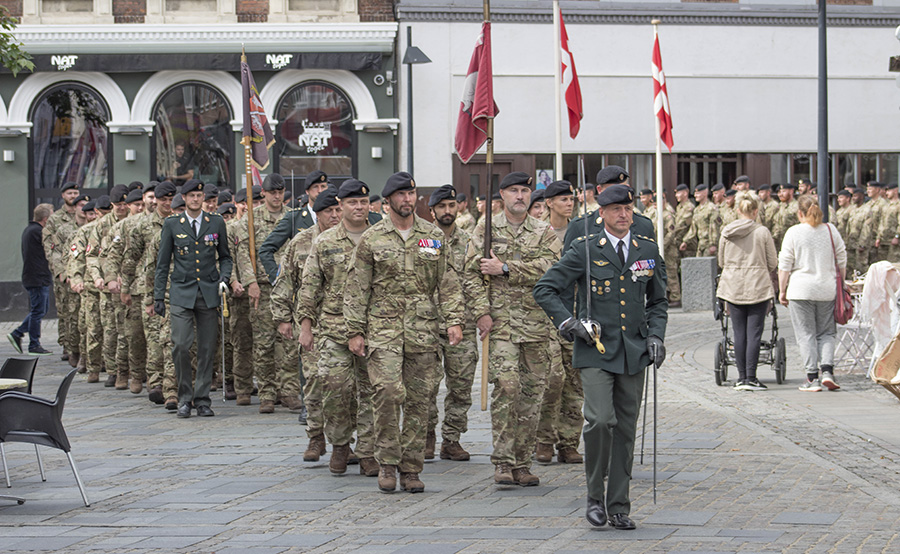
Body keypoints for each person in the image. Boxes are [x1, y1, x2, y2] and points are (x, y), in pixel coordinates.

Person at [534, 184, 667, 531]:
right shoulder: (586, 250)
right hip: (596, 349)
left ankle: (619, 504)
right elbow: (545, 288)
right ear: (602, 213)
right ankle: (595, 496)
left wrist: (656, 335)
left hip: (633, 352)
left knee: (625, 428)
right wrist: (569, 323)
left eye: (628, 208)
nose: (624, 215)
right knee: (600, 420)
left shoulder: (647, 250)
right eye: (616, 209)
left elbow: (658, 300)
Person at [343, 171, 465, 493]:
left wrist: (454, 320)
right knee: (386, 393)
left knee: (419, 400)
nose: (408, 200)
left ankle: (411, 468)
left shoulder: (431, 237)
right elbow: (357, 288)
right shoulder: (373, 239)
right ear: (388, 201)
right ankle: (386, 461)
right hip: (383, 330)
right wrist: (354, 331)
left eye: (411, 194)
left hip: (423, 332)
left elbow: (448, 282)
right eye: (401, 195)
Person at [464, 171, 562, 487]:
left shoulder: (543, 231)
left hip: (535, 324)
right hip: (501, 324)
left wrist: (506, 268)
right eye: (514, 191)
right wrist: (481, 312)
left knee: (533, 394)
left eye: (525, 191)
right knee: (507, 388)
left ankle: (523, 462)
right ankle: (504, 461)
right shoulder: (486, 229)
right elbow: (471, 274)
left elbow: (554, 269)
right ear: (502, 195)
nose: (520, 196)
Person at [297, 180, 378, 475]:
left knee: (371, 391)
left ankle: (368, 451)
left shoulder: (380, 237)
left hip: (374, 328)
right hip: (333, 328)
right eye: (352, 202)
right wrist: (305, 328)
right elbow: (310, 286)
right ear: (340, 206)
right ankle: (341, 444)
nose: (359, 207)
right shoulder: (325, 241)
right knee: (335, 389)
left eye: (363, 202)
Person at [153, 179, 232, 418]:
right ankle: (184, 397)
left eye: (200, 196)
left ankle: (203, 399)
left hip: (208, 292)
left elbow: (225, 257)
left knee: (208, 348)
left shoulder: (216, 222)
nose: (196, 200)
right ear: (184, 199)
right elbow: (163, 263)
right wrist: (158, 296)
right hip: (181, 292)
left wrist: (224, 279)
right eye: (192, 196)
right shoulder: (172, 224)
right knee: (180, 345)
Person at [425, 185, 479, 462]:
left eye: (451, 205)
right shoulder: (424, 240)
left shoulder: (469, 241)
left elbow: (476, 281)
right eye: (442, 207)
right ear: (431, 210)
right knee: (425, 386)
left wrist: (483, 314)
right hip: (428, 324)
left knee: (461, 385)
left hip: (464, 323)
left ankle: (452, 439)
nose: (448, 211)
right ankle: (426, 436)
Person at [778, 195, 846, 393]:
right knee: (827, 332)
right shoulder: (830, 230)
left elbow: (785, 265)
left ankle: (811, 378)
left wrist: (782, 290)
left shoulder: (794, 232)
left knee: (805, 333)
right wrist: (840, 282)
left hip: (800, 290)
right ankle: (827, 371)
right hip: (826, 289)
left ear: (800, 212)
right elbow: (841, 258)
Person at [715, 192, 777, 390]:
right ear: (756, 211)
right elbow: (773, 262)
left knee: (738, 332)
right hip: (757, 286)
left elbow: (721, 261)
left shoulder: (726, 231)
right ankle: (751, 376)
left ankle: (741, 377)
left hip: (733, 286)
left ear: (738, 211)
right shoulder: (762, 232)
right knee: (754, 333)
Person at [8, 203, 55, 355]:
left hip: (36, 277)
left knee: (41, 310)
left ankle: (19, 333)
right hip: (37, 278)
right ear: (46, 219)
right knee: (37, 311)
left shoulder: (31, 230)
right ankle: (32, 343)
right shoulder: (37, 231)